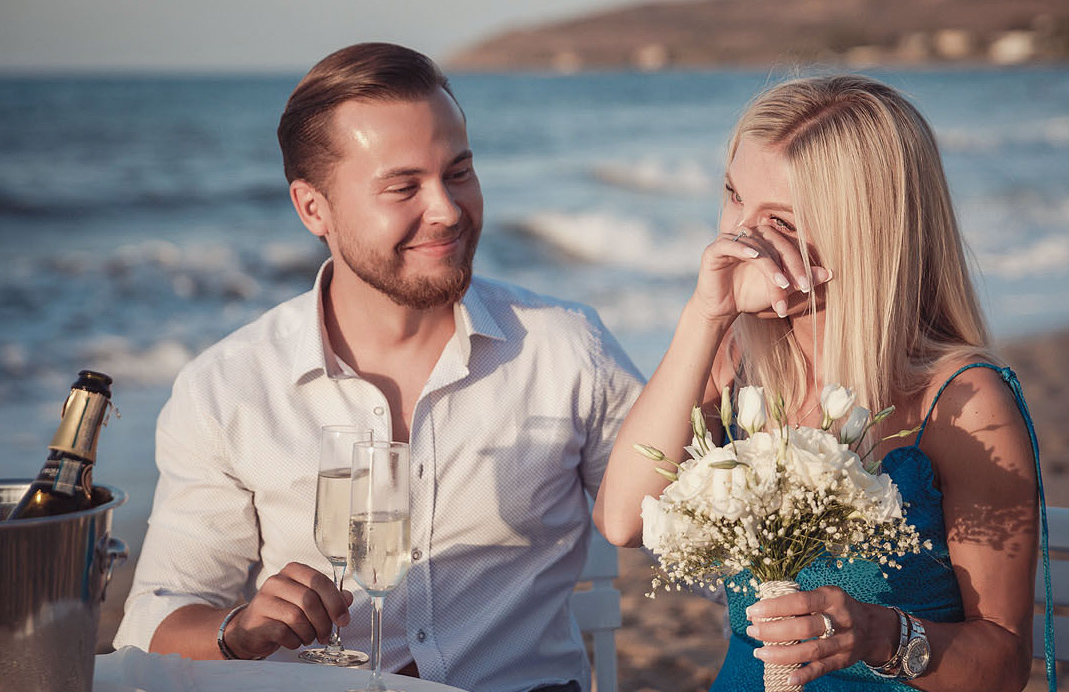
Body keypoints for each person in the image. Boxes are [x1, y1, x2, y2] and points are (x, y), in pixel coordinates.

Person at [113, 42, 645, 692]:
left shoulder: (567, 349)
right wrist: (239, 630)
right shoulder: (227, 390)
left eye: (458, 172)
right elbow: (151, 623)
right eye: (403, 187)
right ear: (313, 209)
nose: (447, 209)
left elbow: (694, 537)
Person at [594, 74, 1050, 690]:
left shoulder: (963, 401)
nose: (737, 238)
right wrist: (705, 316)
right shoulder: (736, 363)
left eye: (776, 219)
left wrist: (878, 633)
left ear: (862, 235)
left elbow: (1002, 664)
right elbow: (622, 520)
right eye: (733, 196)